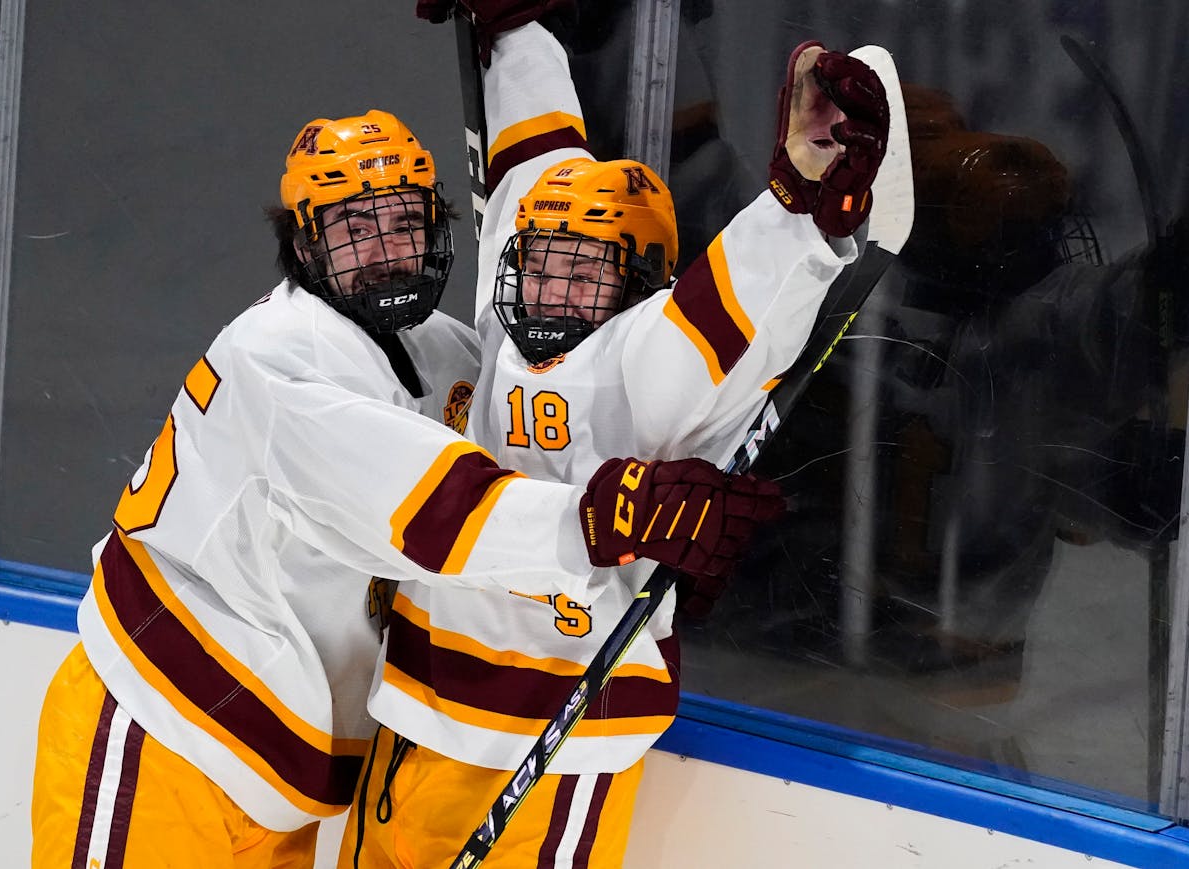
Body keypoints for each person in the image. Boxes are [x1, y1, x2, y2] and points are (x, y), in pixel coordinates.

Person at [29, 108, 780, 868]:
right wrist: (609, 521)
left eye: (404, 221)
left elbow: (535, 443)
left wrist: (655, 531)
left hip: (278, 766)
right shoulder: (278, 360)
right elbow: (438, 509)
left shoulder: (441, 351)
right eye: (355, 227)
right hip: (167, 730)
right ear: (303, 243)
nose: (385, 251)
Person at [338, 6, 893, 867]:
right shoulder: (508, 298)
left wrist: (802, 205)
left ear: (637, 283)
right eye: (542, 259)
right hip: (414, 700)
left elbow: (727, 308)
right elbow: (533, 156)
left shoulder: (646, 354)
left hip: (550, 743)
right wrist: (514, 35)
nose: (551, 282)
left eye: (585, 268)